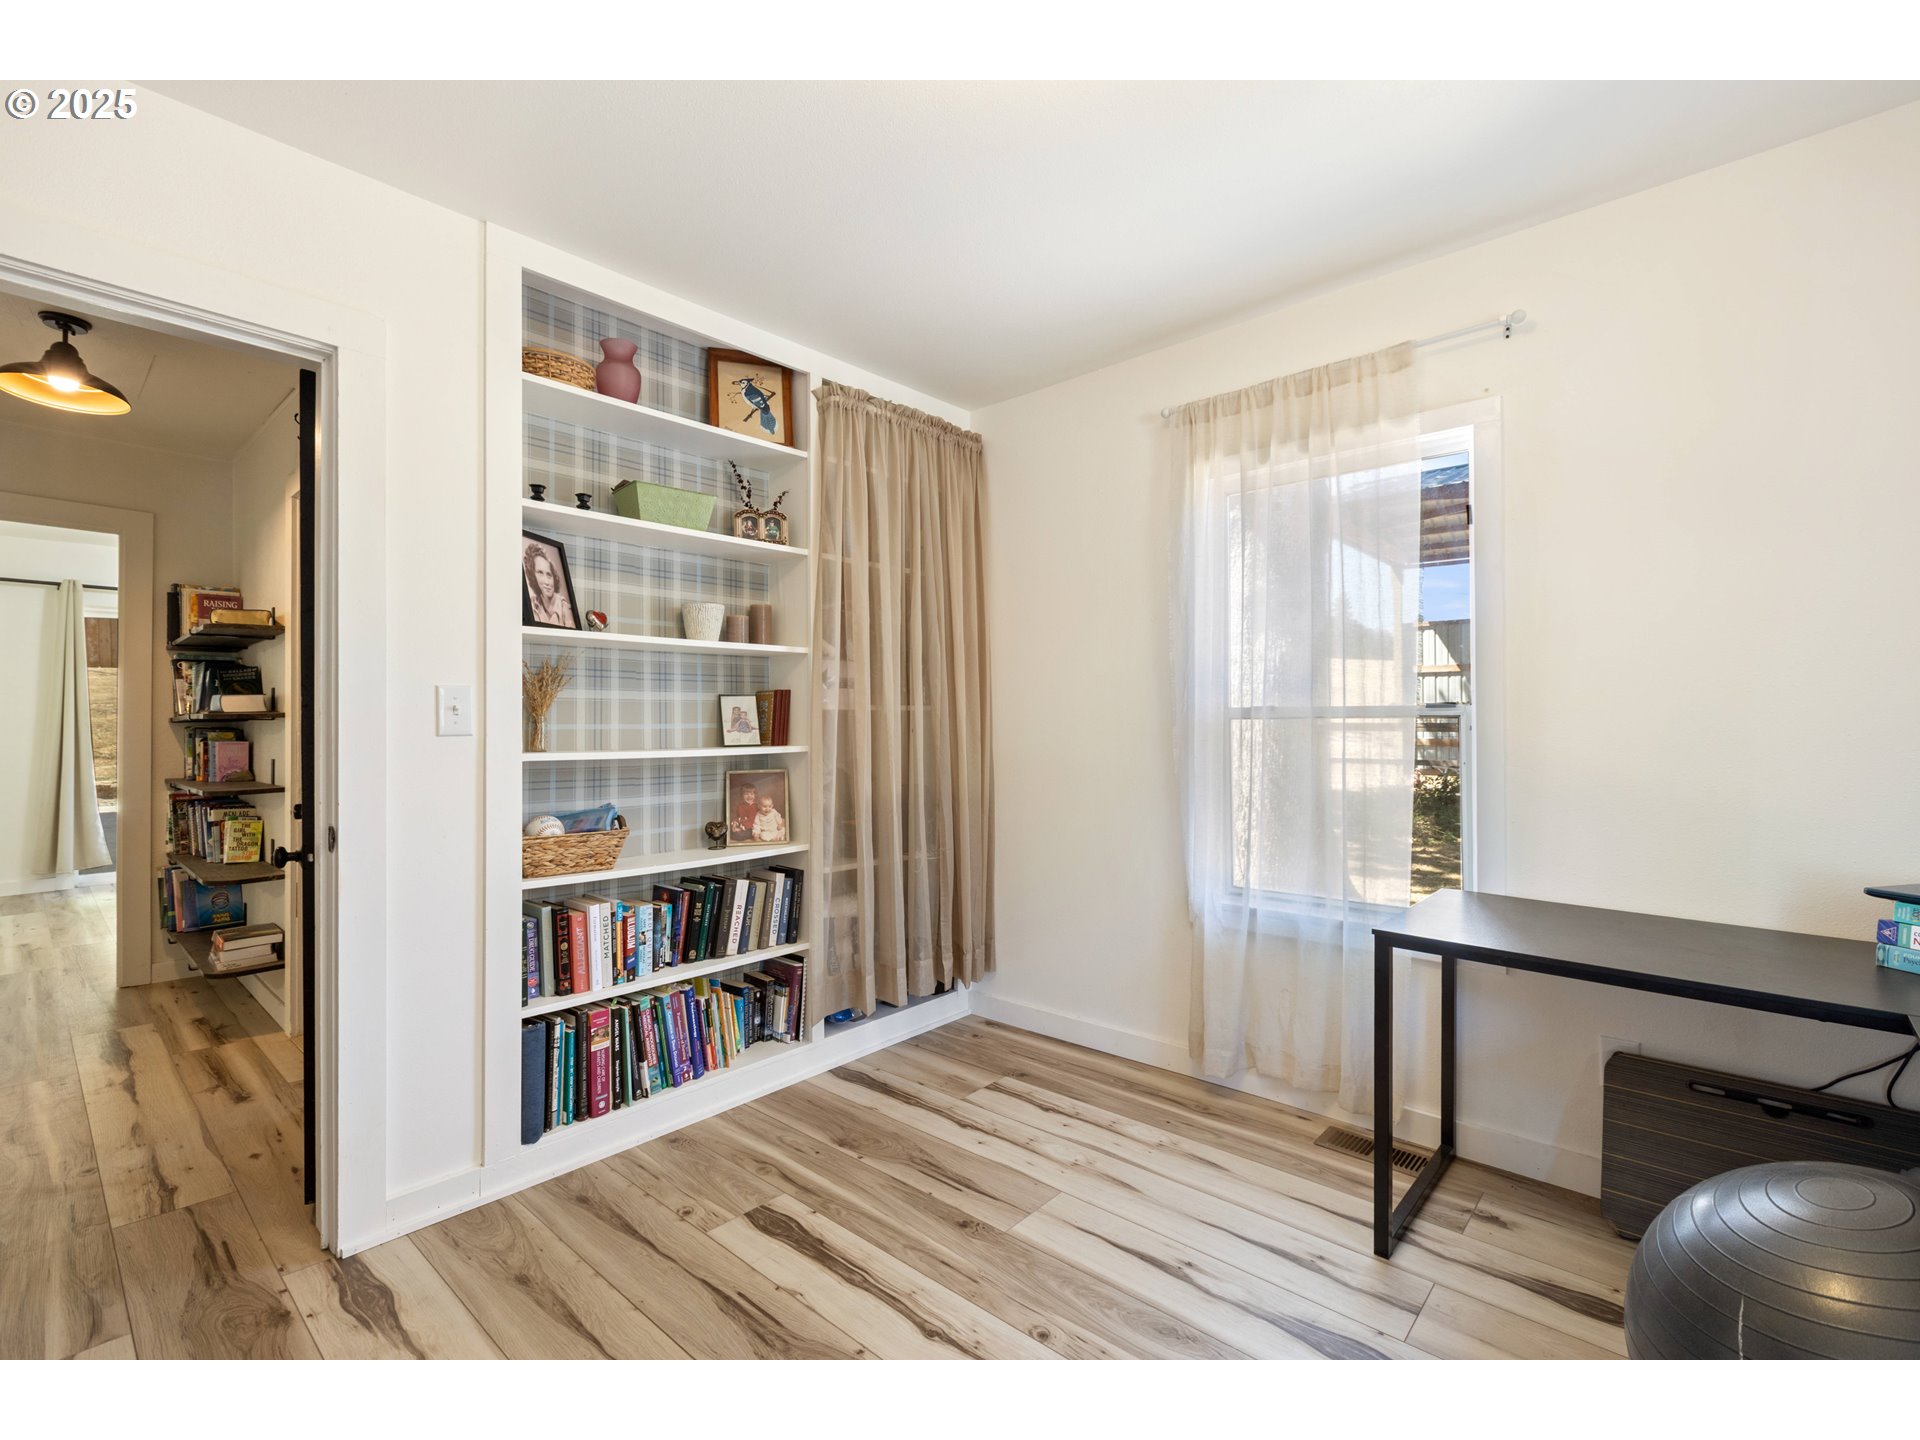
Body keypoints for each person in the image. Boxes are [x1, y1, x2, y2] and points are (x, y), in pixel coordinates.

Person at [524, 544, 574, 627]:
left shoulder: (564, 608)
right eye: (540, 573)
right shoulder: (532, 604)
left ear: (554, 577)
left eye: (549, 574)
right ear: (533, 576)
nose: (546, 582)